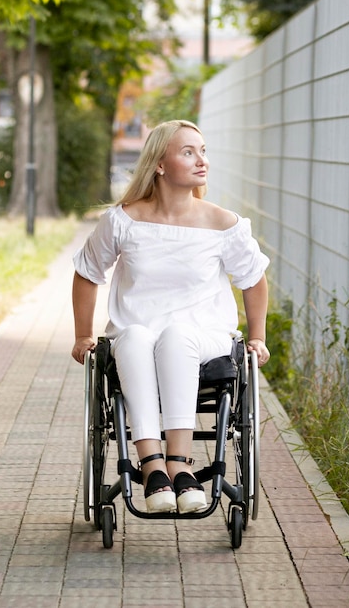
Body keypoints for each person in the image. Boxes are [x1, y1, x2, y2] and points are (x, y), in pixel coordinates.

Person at [71, 120, 270, 514]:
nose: (202, 161)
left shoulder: (223, 224)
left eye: (203, 150)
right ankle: (153, 467)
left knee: (178, 333)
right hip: (137, 337)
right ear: (159, 164)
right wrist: (82, 335)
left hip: (205, 337)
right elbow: (87, 273)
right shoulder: (123, 220)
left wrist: (258, 336)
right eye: (188, 152)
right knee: (136, 337)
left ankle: (180, 465)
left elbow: (254, 280)